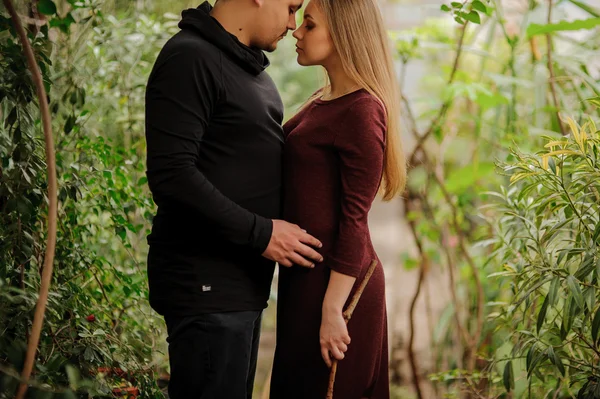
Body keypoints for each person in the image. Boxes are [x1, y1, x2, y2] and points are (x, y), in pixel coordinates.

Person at [143, 1, 324, 398]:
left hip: (238, 288)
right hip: (207, 284)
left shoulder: (243, 64)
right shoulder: (190, 57)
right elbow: (171, 175)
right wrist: (262, 234)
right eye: (292, 7)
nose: (293, 23)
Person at [269, 0, 407, 397]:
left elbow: (353, 221)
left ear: (344, 34)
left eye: (308, 24)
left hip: (339, 287)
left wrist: (332, 309)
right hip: (307, 277)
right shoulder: (324, 96)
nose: (296, 31)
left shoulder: (363, 111)